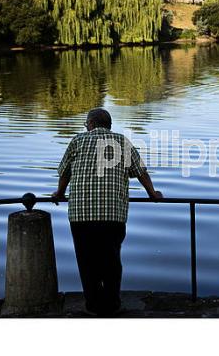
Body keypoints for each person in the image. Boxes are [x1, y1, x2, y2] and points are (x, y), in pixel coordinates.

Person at [52, 108, 162, 316]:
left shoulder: (77, 141)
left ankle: (93, 305)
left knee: (87, 261)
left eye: (86, 124)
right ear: (108, 125)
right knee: (111, 261)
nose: (86, 127)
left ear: (91, 123)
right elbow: (140, 171)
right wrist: (152, 193)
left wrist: (59, 193)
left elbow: (65, 172)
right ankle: (111, 305)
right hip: (113, 214)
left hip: (81, 214)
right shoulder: (122, 142)